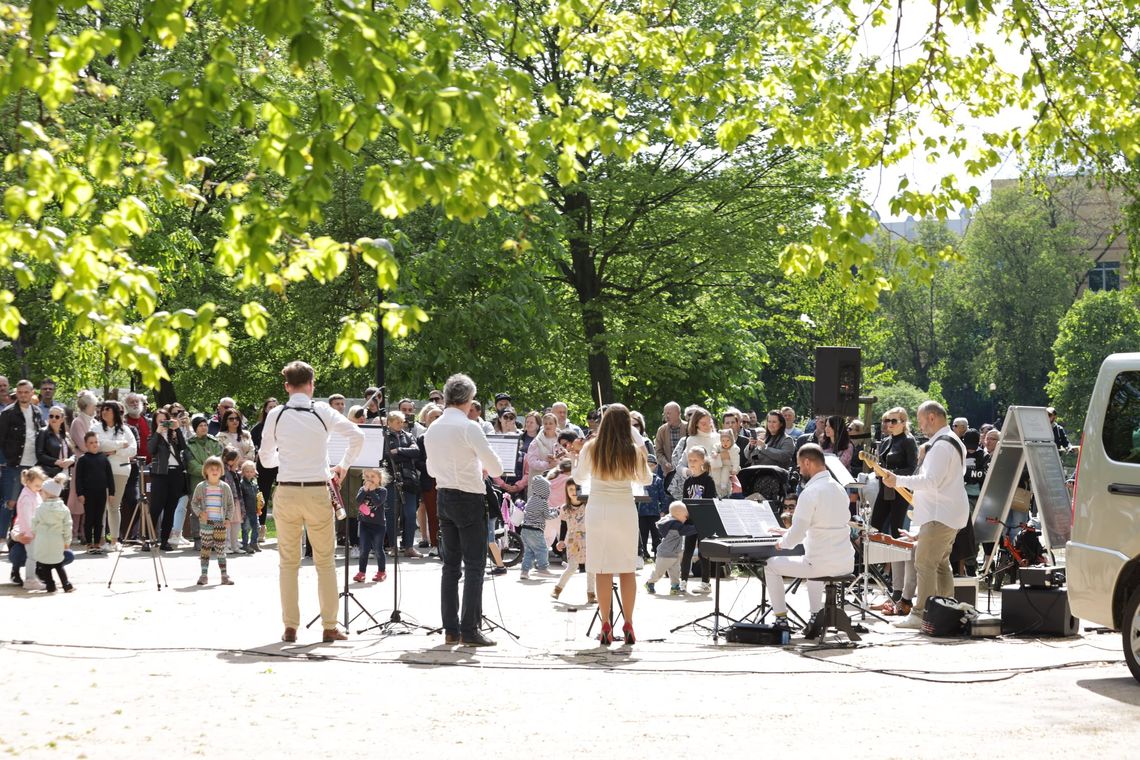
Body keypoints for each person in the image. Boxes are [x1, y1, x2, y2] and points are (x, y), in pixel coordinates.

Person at [259, 360, 365, 643]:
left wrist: (287, 458)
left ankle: (290, 625)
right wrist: (342, 465)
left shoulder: (277, 414)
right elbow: (358, 435)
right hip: (318, 489)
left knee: (288, 563)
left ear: (286, 386)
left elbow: (265, 458)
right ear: (311, 384)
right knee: (325, 562)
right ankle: (329, 626)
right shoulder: (322, 411)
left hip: (287, 489)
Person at [424, 373, 504, 647]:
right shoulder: (470, 427)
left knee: (450, 566)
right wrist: (480, 467)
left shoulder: (432, 429)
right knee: (473, 566)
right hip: (469, 497)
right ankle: (469, 629)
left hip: (444, 496)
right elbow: (496, 469)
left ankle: (450, 629)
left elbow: (432, 470)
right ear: (469, 400)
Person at [882, 400, 969, 631]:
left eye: (921, 421)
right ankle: (946, 609)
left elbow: (931, 481)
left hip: (940, 515)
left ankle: (921, 613)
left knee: (924, 563)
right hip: (948, 512)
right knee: (940, 563)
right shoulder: (952, 441)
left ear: (932, 417)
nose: (920, 427)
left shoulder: (941, 445)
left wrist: (898, 479)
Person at [572, 403, 653, 645]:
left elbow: (578, 478)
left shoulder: (592, 447)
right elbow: (646, 478)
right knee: (627, 568)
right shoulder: (632, 451)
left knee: (602, 567)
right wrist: (639, 443)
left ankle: (605, 622)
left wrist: (577, 458)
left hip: (598, 509)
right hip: (624, 509)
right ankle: (628, 622)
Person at [765, 443, 855, 633]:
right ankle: (815, 616)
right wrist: (788, 533)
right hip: (845, 562)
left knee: (771, 565)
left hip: (821, 564)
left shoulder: (810, 492)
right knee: (812, 565)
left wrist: (783, 542)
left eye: (799, 466)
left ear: (807, 462)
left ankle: (781, 619)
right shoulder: (839, 488)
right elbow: (823, 525)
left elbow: (797, 534)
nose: (799, 470)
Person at [0, 380, 44, 532]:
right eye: (20, 392)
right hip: (13, 464)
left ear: (32, 393)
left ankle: (23, 535)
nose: (23, 395)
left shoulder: (37, 412)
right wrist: (4, 462)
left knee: (30, 502)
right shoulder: (7, 413)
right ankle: (2, 538)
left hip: (33, 464)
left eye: (26, 392)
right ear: (16, 393)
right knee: (10, 502)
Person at [189, 456, 237, 587]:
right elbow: (194, 503)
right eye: (211, 469)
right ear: (206, 471)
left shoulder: (225, 487)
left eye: (217, 469)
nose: (215, 471)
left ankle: (224, 575)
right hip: (206, 524)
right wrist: (200, 513)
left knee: (221, 549)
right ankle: (204, 575)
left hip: (220, 525)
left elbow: (231, 505)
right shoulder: (201, 487)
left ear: (221, 471)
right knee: (205, 549)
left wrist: (228, 519)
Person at [95, 400, 136, 550]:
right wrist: (120, 444)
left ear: (114, 412)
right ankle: (99, 540)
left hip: (120, 471)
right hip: (100, 470)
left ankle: (114, 541)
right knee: (100, 505)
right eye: (102, 409)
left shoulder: (126, 429)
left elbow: (133, 450)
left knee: (113, 506)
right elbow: (99, 445)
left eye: (107, 409)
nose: (104, 412)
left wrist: (115, 451)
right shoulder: (96, 427)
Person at [147, 405, 189, 551]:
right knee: (155, 508)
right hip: (160, 475)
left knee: (170, 508)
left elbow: (184, 447)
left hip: (175, 474)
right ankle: (149, 539)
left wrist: (177, 429)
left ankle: (164, 540)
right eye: (160, 421)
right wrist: (158, 433)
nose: (163, 424)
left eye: (165, 421)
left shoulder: (174, 435)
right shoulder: (153, 436)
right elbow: (151, 450)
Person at [383, 409, 423, 558]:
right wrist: (403, 454)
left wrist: (398, 450)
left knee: (411, 514)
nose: (401, 424)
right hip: (391, 477)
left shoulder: (408, 436)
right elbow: (386, 454)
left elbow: (416, 452)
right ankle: (393, 546)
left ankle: (409, 547)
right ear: (389, 423)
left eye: (402, 421)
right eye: (397, 421)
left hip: (409, 479)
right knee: (392, 513)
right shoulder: (384, 436)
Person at [551, 478, 595, 603]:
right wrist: (560, 541)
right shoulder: (564, 508)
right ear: (566, 491)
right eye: (570, 489)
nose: (574, 492)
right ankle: (557, 589)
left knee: (591, 568)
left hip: (588, 539)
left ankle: (591, 594)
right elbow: (563, 525)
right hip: (572, 541)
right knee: (572, 566)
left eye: (576, 489)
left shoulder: (588, 505)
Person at [680, 446, 716, 593]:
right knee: (687, 551)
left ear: (703, 461)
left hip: (704, 521)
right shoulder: (687, 481)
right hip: (690, 521)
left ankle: (706, 582)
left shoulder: (708, 480)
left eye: (695, 460)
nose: (692, 462)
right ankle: (683, 581)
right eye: (690, 460)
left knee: (703, 552)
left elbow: (709, 500)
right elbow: (684, 501)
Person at [644, 501, 697, 595]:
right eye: (685, 516)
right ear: (678, 514)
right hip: (665, 554)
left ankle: (675, 586)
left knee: (675, 572)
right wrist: (698, 527)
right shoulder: (674, 525)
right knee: (658, 572)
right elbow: (687, 530)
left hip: (675, 553)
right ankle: (650, 582)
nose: (686, 518)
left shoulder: (671, 521)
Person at [32, 476, 74, 592]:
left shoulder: (40, 508)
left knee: (45, 565)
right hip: (57, 540)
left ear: (47, 493)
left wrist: (35, 532)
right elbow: (67, 526)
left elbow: (34, 522)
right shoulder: (64, 509)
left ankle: (50, 586)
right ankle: (66, 584)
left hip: (42, 540)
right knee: (58, 564)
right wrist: (67, 541)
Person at [186, 416, 223, 549]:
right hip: (197, 482)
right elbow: (191, 465)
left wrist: (212, 472)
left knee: (214, 510)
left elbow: (219, 458)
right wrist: (207, 471)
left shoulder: (214, 442)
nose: (204, 428)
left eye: (205, 425)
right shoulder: (189, 444)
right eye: (200, 425)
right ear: (195, 428)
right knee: (198, 510)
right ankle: (198, 538)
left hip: (214, 481)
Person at [75, 432, 114, 554]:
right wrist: (80, 494)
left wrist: (112, 492)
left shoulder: (103, 458)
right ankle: (89, 544)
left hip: (101, 493)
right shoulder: (83, 460)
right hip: (88, 494)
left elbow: (110, 477)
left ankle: (97, 543)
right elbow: (78, 478)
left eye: (96, 442)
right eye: (91, 443)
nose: (94, 445)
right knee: (89, 519)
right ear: (86, 445)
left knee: (99, 519)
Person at [9, 466, 47, 589]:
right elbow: (27, 517)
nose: (39, 488)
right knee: (32, 557)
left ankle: (35, 577)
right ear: (28, 482)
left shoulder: (33, 493)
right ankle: (30, 580)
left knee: (35, 556)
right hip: (30, 533)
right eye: (37, 485)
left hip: (35, 532)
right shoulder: (26, 497)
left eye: (40, 485)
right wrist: (34, 531)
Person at [249, 397, 279, 540]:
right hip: (264, 465)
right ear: (265, 410)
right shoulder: (258, 428)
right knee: (263, 496)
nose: (272, 409)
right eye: (270, 407)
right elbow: (253, 446)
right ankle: (261, 527)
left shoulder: (285, 425)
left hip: (282, 464)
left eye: (275, 406)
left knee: (284, 494)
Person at [518, 472, 559, 579]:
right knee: (543, 549)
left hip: (525, 529)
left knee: (529, 552)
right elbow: (547, 516)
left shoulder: (532, 499)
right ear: (544, 490)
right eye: (548, 489)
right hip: (535, 530)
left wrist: (552, 510)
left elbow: (537, 511)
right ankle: (542, 568)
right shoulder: (543, 502)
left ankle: (524, 572)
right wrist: (556, 513)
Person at [354, 468, 388, 583]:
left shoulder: (382, 491)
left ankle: (381, 572)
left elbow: (378, 502)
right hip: (364, 524)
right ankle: (361, 572)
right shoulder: (362, 489)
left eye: (373, 477)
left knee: (378, 549)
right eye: (367, 477)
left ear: (379, 479)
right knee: (364, 549)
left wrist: (372, 491)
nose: (370, 479)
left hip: (378, 526)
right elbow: (358, 500)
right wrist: (365, 490)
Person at [238, 461, 262, 553]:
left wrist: (261, 501)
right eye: (247, 471)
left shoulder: (254, 483)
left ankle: (254, 542)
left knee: (256, 527)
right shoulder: (242, 484)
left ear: (254, 472)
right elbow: (241, 498)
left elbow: (258, 494)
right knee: (246, 528)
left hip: (254, 510)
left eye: (251, 471)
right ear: (243, 472)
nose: (249, 473)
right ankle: (245, 544)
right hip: (246, 511)